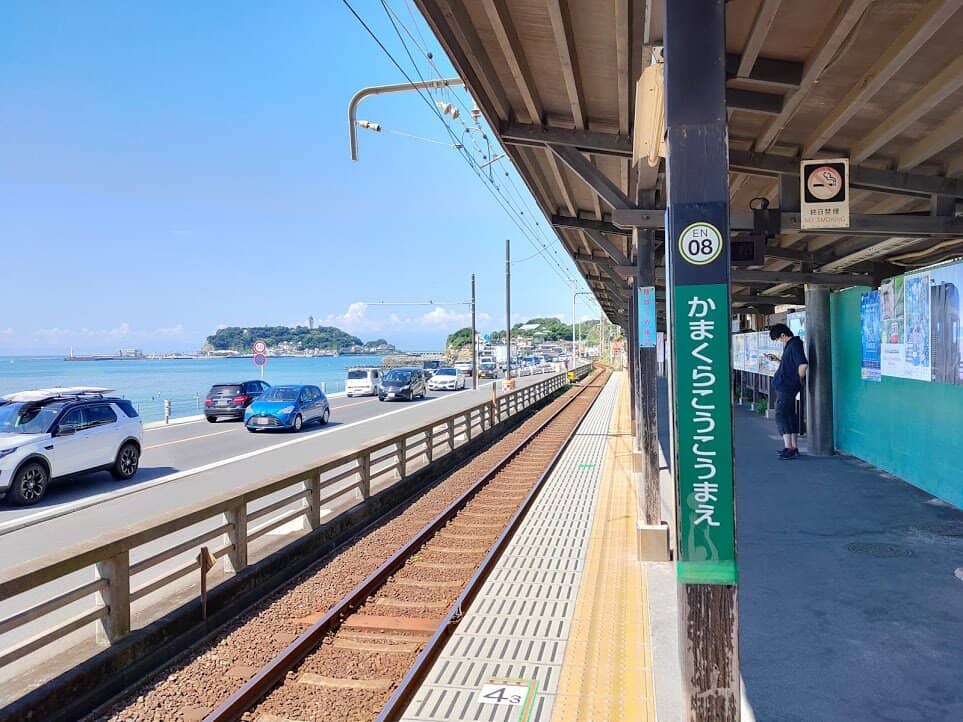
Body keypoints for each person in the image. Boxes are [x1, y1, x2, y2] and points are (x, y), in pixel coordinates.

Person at [764, 323, 809, 460]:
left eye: (778, 338)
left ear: (783, 335)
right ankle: (793, 447)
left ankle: (789, 447)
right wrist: (777, 360)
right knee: (789, 415)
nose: (779, 341)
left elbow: (803, 365)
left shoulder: (794, 345)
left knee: (781, 415)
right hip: (787, 385)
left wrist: (797, 380)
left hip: (787, 386)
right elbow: (791, 365)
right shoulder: (792, 344)